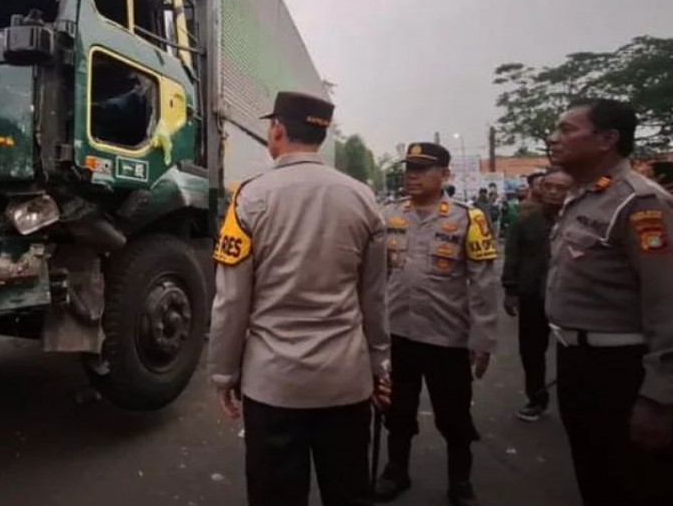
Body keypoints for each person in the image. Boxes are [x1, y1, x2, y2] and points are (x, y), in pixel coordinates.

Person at [208, 91, 391, 506]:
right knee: (347, 490)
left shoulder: (249, 198)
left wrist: (223, 373)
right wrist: (380, 365)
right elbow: (375, 297)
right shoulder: (362, 198)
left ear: (278, 130)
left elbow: (231, 301)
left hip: (273, 385)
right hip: (346, 381)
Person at [546, 99, 673, 506]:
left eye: (567, 130)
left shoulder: (640, 203)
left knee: (632, 481)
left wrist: (659, 395)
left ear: (607, 139)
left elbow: (667, 302)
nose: (554, 138)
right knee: (593, 473)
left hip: (622, 370)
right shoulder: (584, 195)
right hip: (576, 361)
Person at [375, 143, 499, 506]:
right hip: (397, 333)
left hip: (447, 337)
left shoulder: (468, 219)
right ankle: (396, 470)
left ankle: (460, 479)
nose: (411, 174)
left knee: (454, 413)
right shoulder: (389, 215)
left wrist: (483, 339)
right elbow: (374, 277)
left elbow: (482, 284)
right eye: (409, 167)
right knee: (397, 410)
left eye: (421, 168)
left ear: (445, 174)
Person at [502, 168, 573, 422]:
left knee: (573, 352)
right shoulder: (526, 222)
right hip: (533, 295)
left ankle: (574, 402)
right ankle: (536, 398)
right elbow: (512, 256)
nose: (553, 192)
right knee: (531, 351)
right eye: (548, 186)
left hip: (571, 299)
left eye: (560, 187)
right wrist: (510, 290)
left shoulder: (580, 220)